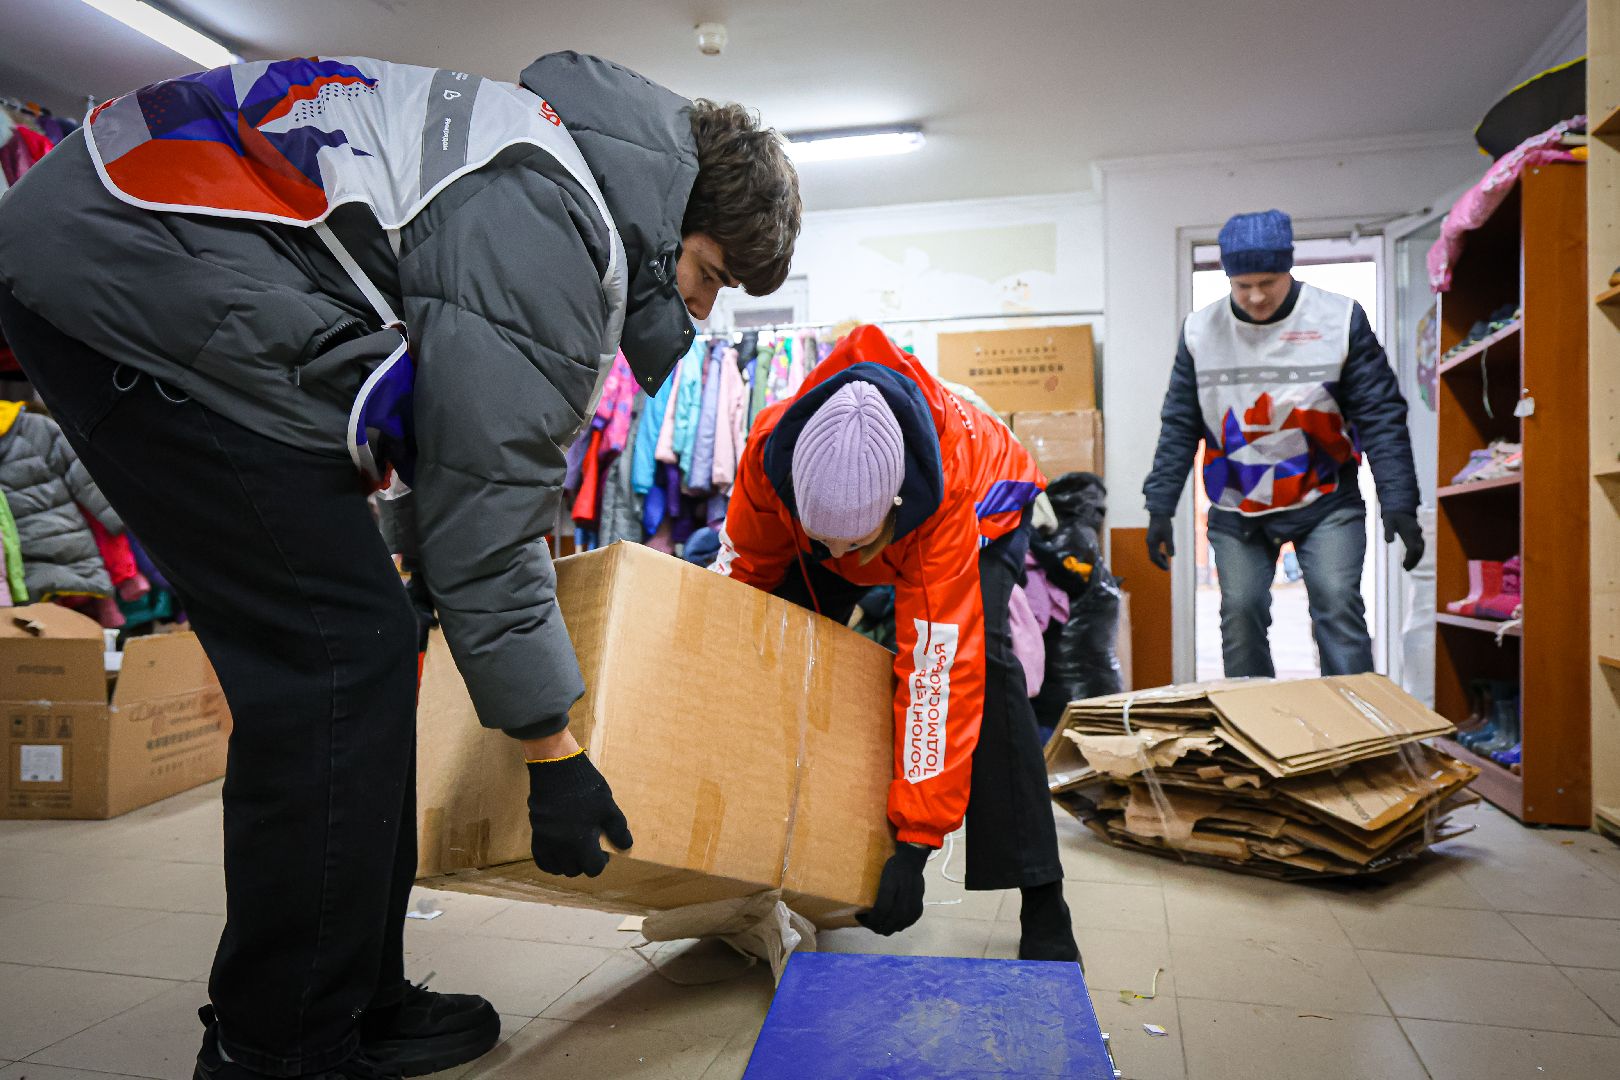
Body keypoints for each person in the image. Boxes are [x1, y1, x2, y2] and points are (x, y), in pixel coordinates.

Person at [0, 52, 799, 1080]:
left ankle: (357, 998)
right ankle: (278, 1046)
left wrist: (446, 593)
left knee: (368, 646)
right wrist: (552, 754)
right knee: (336, 663)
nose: (698, 312)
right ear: (678, 223)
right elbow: (485, 515)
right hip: (128, 280)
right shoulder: (554, 221)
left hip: (145, 261)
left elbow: (455, 462)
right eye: (709, 277)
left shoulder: (548, 165)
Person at [713, 324, 1081, 963]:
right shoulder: (767, 456)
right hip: (856, 525)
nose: (836, 555)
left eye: (852, 541)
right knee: (780, 647)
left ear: (895, 505)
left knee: (989, 675)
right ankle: (790, 857)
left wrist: (915, 845)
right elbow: (744, 582)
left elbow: (939, 677)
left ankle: (1043, 898)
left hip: (987, 511)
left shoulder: (944, 502)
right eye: (822, 537)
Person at [1141, 209, 1423, 677]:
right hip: (1238, 506)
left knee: (1337, 606)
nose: (1254, 296)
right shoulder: (1200, 332)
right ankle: (1258, 732)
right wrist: (1159, 508)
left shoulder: (1339, 318)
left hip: (1325, 498)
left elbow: (1381, 415)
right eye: (1241, 284)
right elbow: (1178, 425)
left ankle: (1355, 736)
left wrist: (1400, 501)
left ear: (1289, 269)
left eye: (1267, 282)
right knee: (1240, 614)